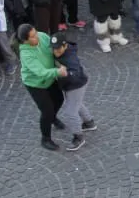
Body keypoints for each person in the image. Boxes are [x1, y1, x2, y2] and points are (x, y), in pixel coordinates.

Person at [17, 23, 66, 151]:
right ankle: (45, 138)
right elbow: (40, 72)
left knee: (59, 99)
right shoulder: (26, 54)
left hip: (49, 79)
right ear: (25, 40)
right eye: (32, 37)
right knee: (47, 110)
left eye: (36, 33)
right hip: (35, 84)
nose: (37, 37)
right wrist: (58, 71)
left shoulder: (43, 36)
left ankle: (52, 118)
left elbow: (53, 50)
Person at [50, 34, 95, 150]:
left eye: (58, 48)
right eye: (53, 48)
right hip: (72, 85)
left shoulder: (70, 58)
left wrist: (65, 74)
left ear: (65, 45)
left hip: (75, 86)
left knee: (70, 112)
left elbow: (74, 73)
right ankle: (89, 122)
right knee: (77, 103)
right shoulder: (63, 51)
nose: (56, 52)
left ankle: (78, 137)